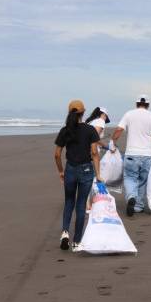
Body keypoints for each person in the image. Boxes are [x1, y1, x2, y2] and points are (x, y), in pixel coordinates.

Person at [54, 100, 103, 251]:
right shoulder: (90, 130)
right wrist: (98, 174)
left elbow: (57, 154)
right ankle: (76, 241)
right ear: (83, 113)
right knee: (81, 205)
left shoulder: (65, 130)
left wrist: (61, 171)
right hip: (86, 170)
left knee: (69, 201)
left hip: (70, 168)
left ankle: (65, 233)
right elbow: (94, 153)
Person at [110, 94, 151, 216]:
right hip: (148, 155)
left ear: (136, 104)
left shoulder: (129, 114)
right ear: (148, 105)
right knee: (143, 180)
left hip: (131, 154)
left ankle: (131, 196)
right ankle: (138, 206)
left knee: (130, 177)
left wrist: (112, 143)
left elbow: (119, 130)